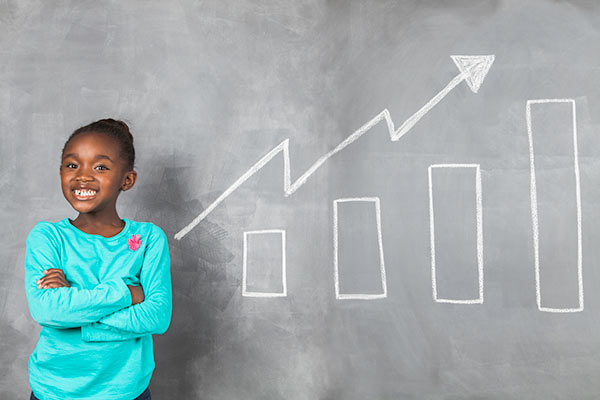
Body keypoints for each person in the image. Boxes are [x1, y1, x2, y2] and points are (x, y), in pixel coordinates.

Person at [24, 119, 172, 400]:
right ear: (60, 173)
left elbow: (156, 316)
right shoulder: (47, 236)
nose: (82, 176)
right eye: (72, 165)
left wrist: (74, 309)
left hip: (126, 392)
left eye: (101, 167)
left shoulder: (149, 238)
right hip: (54, 391)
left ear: (126, 180)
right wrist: (127, 293)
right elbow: (47, 312)